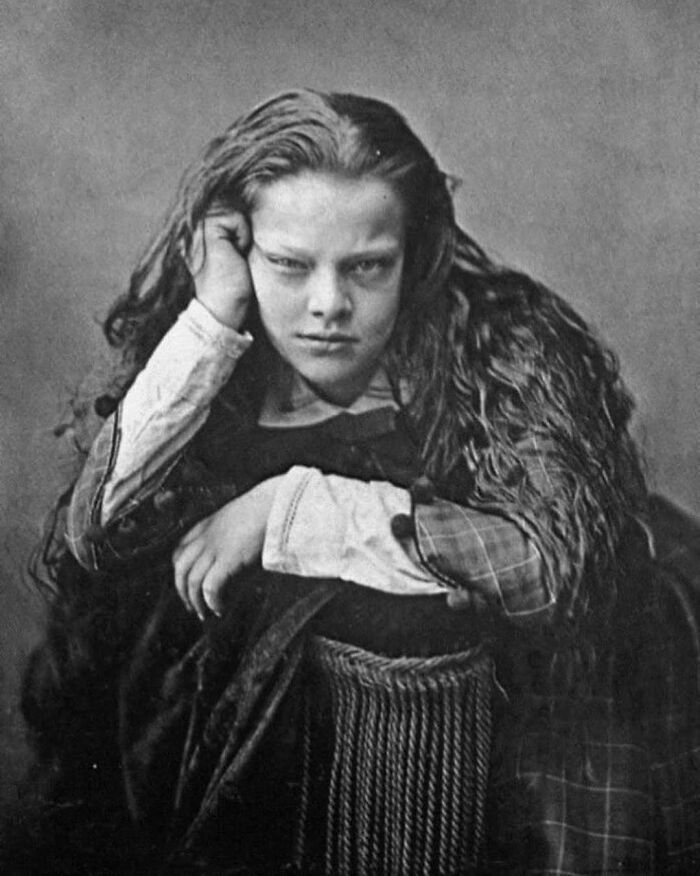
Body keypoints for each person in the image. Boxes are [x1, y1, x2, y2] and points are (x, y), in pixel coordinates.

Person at [10, 89, 700, 874]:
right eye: (288, 265)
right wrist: (214, 313)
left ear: (417, 251)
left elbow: (553, 564)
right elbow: (96, 538)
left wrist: (292, 511)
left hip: (494, 786)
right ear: (234, 249)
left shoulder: (501, 348)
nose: (328, 305)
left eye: (368, 267)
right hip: (246, 785)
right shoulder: (219, 358)